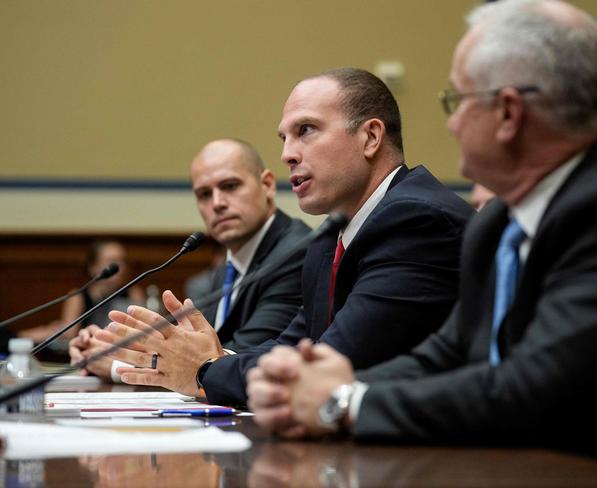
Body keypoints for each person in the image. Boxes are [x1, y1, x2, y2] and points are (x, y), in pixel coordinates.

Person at [246, 0, 597, 460]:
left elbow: (537, 387)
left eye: (456, 102)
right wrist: (327, 388)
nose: (451, 123)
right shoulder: (495, 226)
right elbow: (444, 354)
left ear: (508, 114)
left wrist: (346, 403)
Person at [97, 67, 474, 405]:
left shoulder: (416, 220)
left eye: (305, 130)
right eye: (283, 138)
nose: (287, 155)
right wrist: (203, 360)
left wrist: (204, 370)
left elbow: (327, 365)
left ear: (371, 137)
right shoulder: (332, 236)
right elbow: (290, 348)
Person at [69, 138, 311, 378]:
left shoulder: (294, 252)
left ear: (267, 185)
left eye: (230, 186)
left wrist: (115, 366)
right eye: (204, 194)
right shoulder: (231, 266)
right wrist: (110, 343)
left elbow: (241, 356)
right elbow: (196, 345)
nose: (217, 203)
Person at [19, 240, 144, 345]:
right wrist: (19, 336)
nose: (119, 267)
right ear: (93, 267)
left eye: (122, 261)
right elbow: (69, 333)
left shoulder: (134, 293)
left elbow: (140, 333)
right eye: (112, 261)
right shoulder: (78, 296)